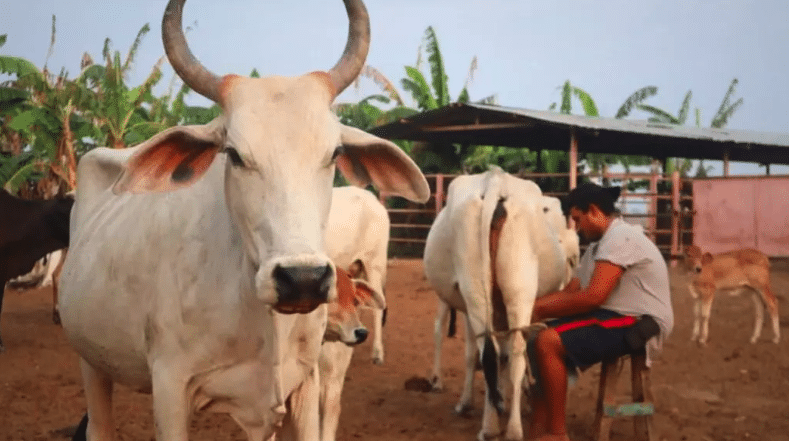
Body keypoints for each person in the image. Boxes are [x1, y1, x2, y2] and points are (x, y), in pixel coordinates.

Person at [526, 182, 674, 441]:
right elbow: (573, 290)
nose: (577, 228)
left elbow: (594, 296)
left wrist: (540, 308)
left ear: (593, 210)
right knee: (536, 336)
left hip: (639, 321)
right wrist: (530, 308)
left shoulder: (621, 238)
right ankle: (541, 423)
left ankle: (557, 433)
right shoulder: (598, 246)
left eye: (578, 219)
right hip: (615, 314)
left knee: (548, 342)